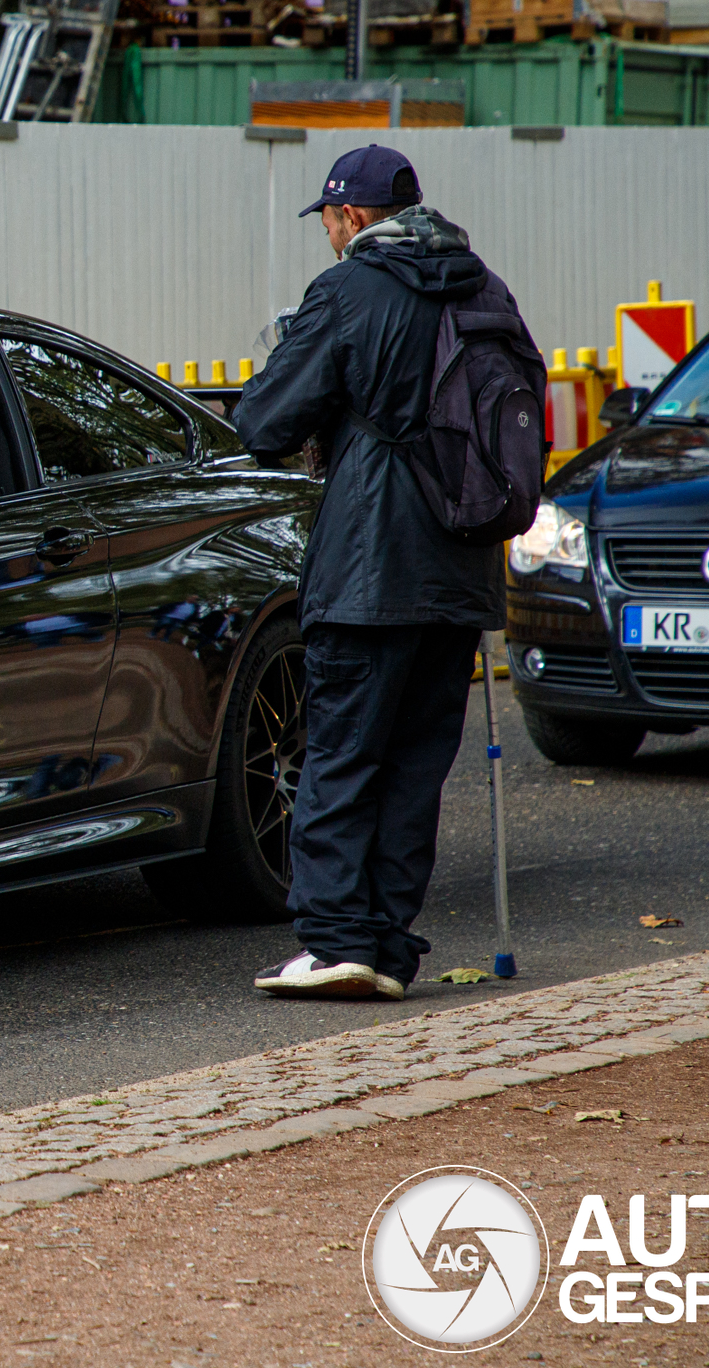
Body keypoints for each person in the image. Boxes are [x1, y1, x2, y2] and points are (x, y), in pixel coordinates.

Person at [234, 143, 526, 1003]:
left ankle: (333, 943)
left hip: (369, 565)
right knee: (415, 765)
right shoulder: (485, 288)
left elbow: (267, 420)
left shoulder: (350, 288)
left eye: (326, 219)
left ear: (352, 217)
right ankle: (390, 947)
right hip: (462, 566)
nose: (325, 233)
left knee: (341, 754)